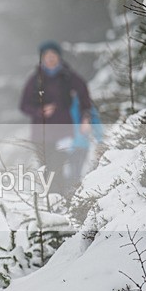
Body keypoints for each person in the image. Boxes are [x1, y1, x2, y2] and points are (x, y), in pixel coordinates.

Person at [19, 40, 92, 196]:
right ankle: (52, 203)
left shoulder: (67, 76)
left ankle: (61, 201)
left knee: (57, 166)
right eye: (47, 56)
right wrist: (40, 111)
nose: (51, 59)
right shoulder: (35, 79)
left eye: (54, 55)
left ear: (59, 57)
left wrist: (85, 117)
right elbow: (24, 105)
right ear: (42, 58)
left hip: (64, 131)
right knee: (46, 168)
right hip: (41, 133)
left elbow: (84, 95)